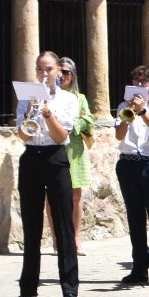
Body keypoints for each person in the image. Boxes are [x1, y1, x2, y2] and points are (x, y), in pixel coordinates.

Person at [13, 51, 81, 297]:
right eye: (40, 69)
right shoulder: (26, 100)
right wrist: (31, 112)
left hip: (55, 158)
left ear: (59, 73)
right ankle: (28, 289)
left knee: (63, 225)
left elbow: (63, 136)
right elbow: (23, 135)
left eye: (49, 69)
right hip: (31, 158)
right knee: (31, 226)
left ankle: (69, 289)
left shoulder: (68, 100)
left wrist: (47, 113)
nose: (45, 74)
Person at [114, 65, 149, 287]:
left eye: (145, 81)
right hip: (128, 163)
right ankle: (140, 266)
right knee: (135, 218)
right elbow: (119, 135)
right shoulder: (122, 106)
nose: (140, 84)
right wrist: (129, 114)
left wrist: (143, 111)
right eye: (136, 80)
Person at [56, 58, 95, 254]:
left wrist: (75, 124)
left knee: (75, 195)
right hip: (57, 147)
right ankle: (57, 238)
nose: (61, 76)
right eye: (59, 72)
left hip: (75, 148)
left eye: (66, 72)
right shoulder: (50, 97)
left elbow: (89, 119)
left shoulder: (79, 98)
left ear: (73, 76)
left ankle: (75, 237)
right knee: (53, 195)